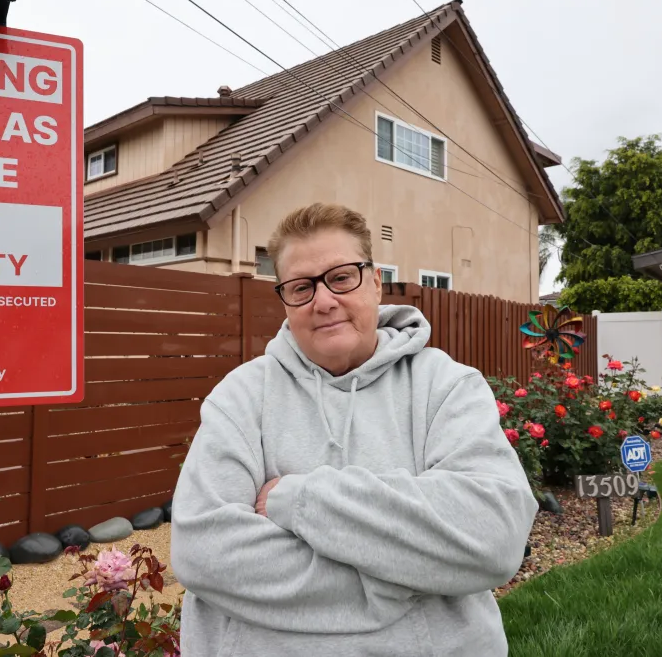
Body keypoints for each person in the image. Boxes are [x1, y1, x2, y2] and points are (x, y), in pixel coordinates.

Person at [170, 202, 538, 656]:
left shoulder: (446, 387)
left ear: (376, 280)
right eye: (301, 287)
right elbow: (204, 552)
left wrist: (299, 500)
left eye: (341, 277)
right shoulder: (242, 397)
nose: (323, 301)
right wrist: (394, 581)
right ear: (284, 299)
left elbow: (494, 536)